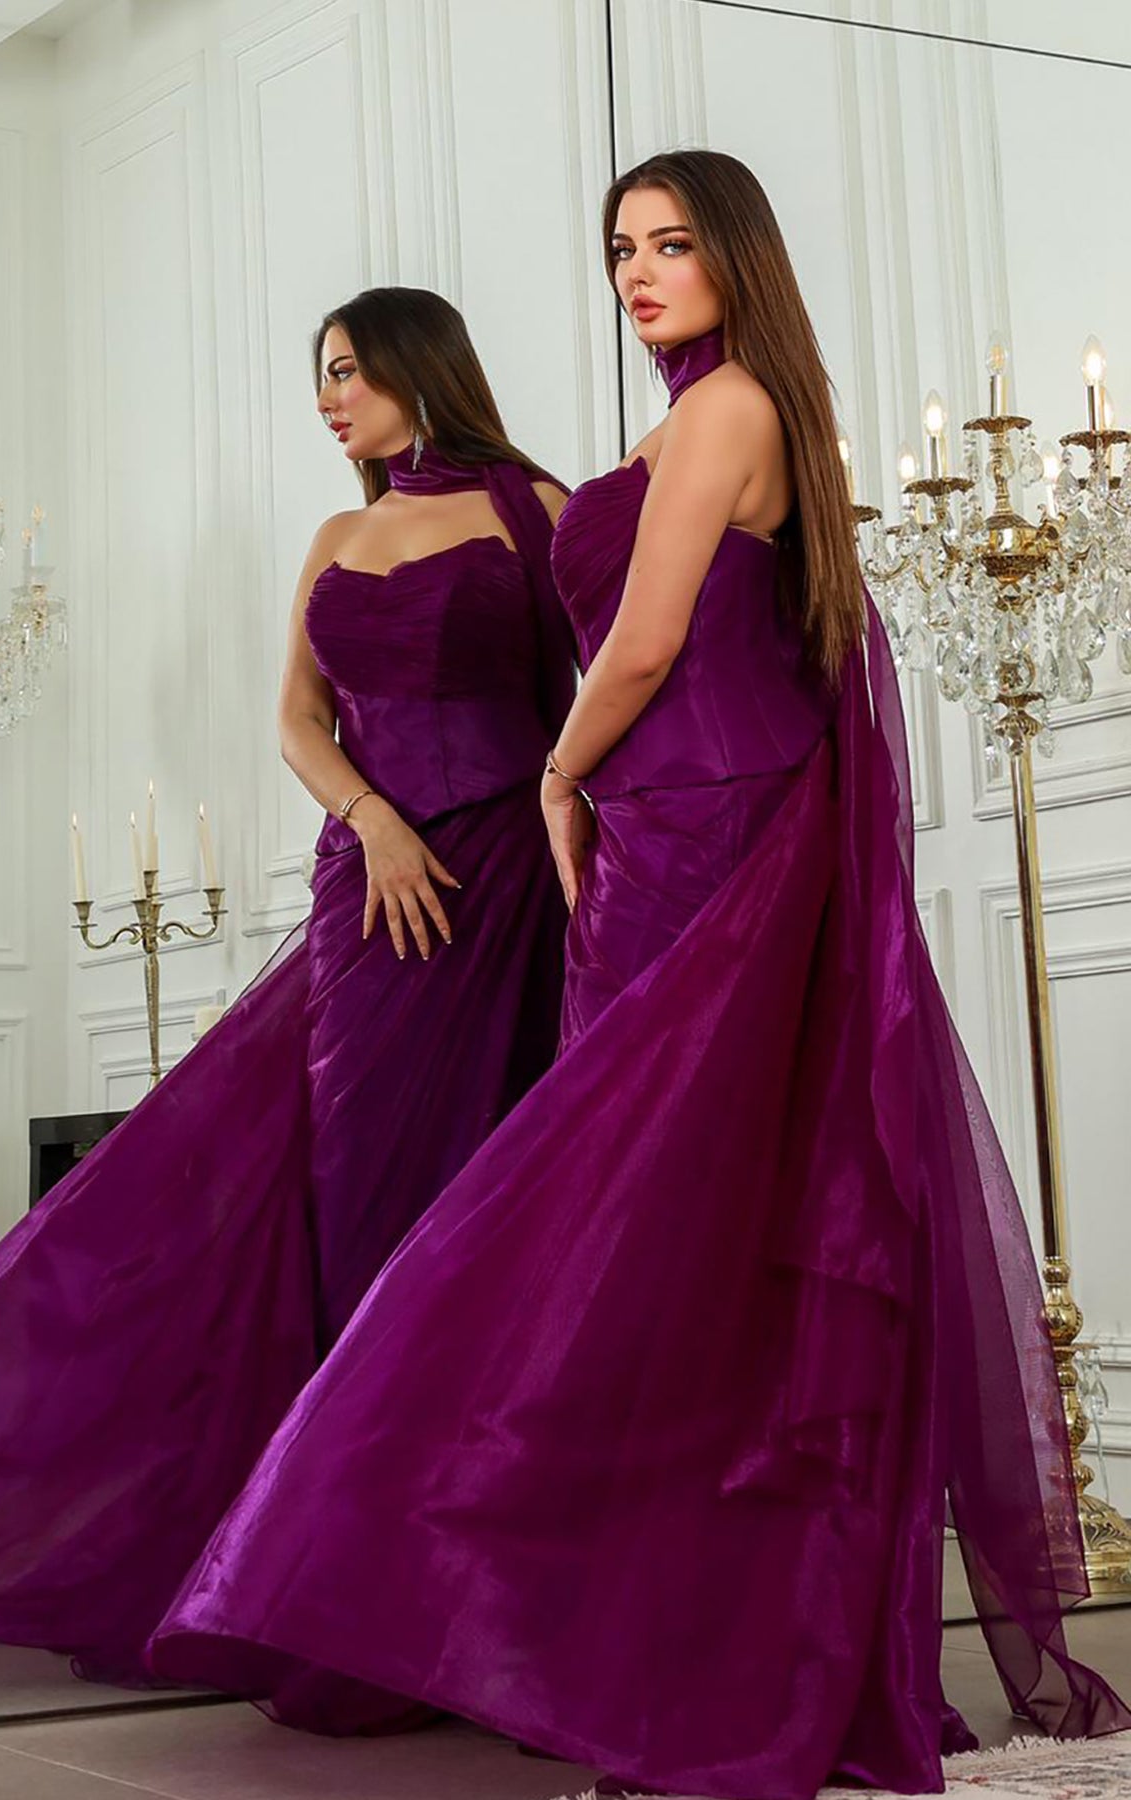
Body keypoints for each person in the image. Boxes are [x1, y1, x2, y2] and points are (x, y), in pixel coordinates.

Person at [150, 157, 1131, 1798]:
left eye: (671, 244)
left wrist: (555, 776)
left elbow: (651, 638)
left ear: (736, 258)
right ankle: (637, 1621)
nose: (638, 272)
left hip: (698, 831)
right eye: (621, 248)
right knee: (673, 1233)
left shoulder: (730, 408)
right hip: (662, 836)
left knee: (649, 1224)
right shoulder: (692, 422)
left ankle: (679, 1635)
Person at [0, 286, 574, 1689]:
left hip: (506, 892)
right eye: (320, 376)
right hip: (372, 896)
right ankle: (329, 1546)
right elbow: (295, 719)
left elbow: (588, 702)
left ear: (418, 366)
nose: (328, 399)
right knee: (352, 1192)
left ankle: (461, 1561)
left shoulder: (537, 509)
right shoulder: (337, 537)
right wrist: (374, 820)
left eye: (347, 371)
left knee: (479, 1198)